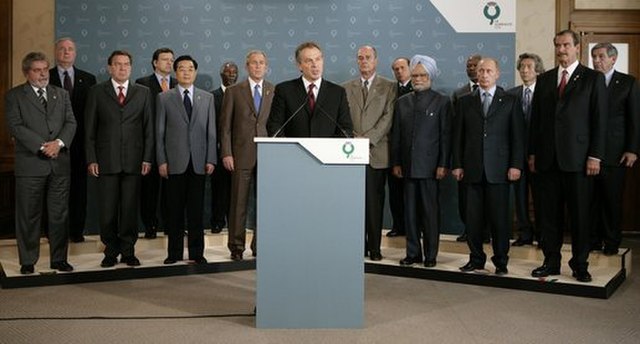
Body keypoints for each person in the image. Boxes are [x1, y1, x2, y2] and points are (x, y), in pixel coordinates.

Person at [529, 30, 607, 283]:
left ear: (577, 48)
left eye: (565, 45)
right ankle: (551, 262)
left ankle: (580, 264)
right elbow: (536, 122)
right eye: (557, 45)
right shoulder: (545, 79)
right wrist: (532, 153)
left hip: (579, 160)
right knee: (548, 216)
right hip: (548, 160)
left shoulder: (593, 78)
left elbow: (600, 121)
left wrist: (595, 155)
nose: (561, 50)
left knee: (580, 216)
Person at [5, 52, 77, 274]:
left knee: (59, 214)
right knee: (29, 214)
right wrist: (44, 146)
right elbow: (16, 126)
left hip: (60, 164)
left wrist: (59, 143)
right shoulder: (14, 96)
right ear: (27, 73)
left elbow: (70, 122)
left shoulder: (61, 94)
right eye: (37, 70)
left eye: (45, 68)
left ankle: (58, 259)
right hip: (31, 164)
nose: (43, 73)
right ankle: (28, 260)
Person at [452, 57, 524, 276]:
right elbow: (458, 137)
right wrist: (457, 165)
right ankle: (476, 259)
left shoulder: (510, 100)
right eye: (481, 71)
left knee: (499, 221)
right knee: (473, 221)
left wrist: (515, 165)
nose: (483, 74)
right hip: (471, 170)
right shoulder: (465, 101)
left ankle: (501, 261)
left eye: (488, 71)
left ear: (497, 73)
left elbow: (517, 137)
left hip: (500, 171)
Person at [85, 50, 154, 268]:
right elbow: (89, 130)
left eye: (126, 64)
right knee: (107, 210)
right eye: (118, 64)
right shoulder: (97, 92)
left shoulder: (143, 93)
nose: (122, 68)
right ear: (109, 68)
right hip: (105, 161)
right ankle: (110, 251)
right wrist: (91, 159)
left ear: (131, 68)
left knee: (129, 210)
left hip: (134, 161)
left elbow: (148, 129)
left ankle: (128, 251)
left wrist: (147, 158)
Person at [391, 55, 452, 267]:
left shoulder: (442, 101)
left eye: (422, 75)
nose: (418, 79)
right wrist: (396, 162)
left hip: (431, 169)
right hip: (407, 168)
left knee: (429, 214)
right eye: (415, 75)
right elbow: (396, 136)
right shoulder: (402, 102)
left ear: (430, 76)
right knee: (410, 214)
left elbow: (446, 136)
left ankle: (431, 256)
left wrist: (443, 164)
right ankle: (413, 253)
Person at [156, 55, 216, 265]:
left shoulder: (207, 98)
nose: (186, 72)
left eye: (190, 68)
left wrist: (211, 158)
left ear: (196, 73)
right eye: (181, 68)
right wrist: (162, 161)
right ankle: (173, 253)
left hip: (199, 162)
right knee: (174, 211)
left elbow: (212, 132)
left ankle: (197, 253)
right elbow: (159, 133)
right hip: (174, 163)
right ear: (175, 72)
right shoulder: (164, 98)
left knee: (196, 212)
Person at [343, 45, 395, 261]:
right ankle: (357, 247)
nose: (364, 61)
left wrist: (368, 139)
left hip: (377, 154)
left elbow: (388, 117)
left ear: (376, 60)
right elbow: (342, 117)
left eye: (368, 57)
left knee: (374, 205)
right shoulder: (345, 87)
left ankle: (374, 248)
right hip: (350, 154)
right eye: (360, 58)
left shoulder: (389, 87)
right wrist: (354, 138)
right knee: (352, 205)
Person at [220, 51, 273, 261]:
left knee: (266, 203)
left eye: (262, 63)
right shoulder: (234, 91)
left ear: (266, 66)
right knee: (239, 203)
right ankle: (236, 247)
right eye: (254, 63)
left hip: (268, 156)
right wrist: (227, 153)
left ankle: (260, 245)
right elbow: (225, 127)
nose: (258, 66)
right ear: (247, 66)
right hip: (241, 154)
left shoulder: (274, 91)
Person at [589, 42, 640, 255]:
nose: (597, 60)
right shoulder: (587, 81)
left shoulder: (628, 83)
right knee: (591, 202)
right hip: (589, 153)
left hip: (615, 153)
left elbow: (635, 119)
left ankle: (611, 243)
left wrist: (632, 149)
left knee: (611, 200)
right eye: (594, 57)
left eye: (601, 56)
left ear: (613, 59)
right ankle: (593, 241)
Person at [49, 37, 96, 243]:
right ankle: (53, 232)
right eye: (62, 49)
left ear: (75, 53)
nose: (66, 52)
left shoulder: (88, 79)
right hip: (53, 144)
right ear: (55, 52)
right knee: (53, 191)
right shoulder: (46, 76)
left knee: (79, 191)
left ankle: (76, 231)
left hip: (80, 146)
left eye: (70, 49)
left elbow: (92, 115)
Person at [267, 41, 353, 138]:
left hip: (326, 152)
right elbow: (274, 126)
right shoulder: (284, 90)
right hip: (293, 152)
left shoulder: (337, 92)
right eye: (309, 61)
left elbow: (346, 129)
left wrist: (329, 149)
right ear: (299, 65)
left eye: (318, 59)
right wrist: (288, 149)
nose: (315, 64)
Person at [135, 47, 176, 239]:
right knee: (150, 190)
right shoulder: (142, 84)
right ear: (154, 62)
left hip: (174, 146)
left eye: (171, 60)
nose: (169, 63)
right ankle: (150, 225)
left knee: (171, 191)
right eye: (165, 59)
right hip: (150, 144)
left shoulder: (178, 84)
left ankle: (171, 225)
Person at [507, 53, 545, 247]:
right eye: (521, 66)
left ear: (537, 69)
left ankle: (542, 233)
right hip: (518, 155)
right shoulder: (511, 94)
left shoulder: (546, 92)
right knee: (520, 197)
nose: (524, 70)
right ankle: (524, 233)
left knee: (540, 197)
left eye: (529, 66)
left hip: (540, 155)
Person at [451, 54, 485, 243]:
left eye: (475, 66)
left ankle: (485, 231)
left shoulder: (501, 94)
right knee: (466, 198)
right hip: (467, 155)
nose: (471, 68)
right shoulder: (459, 94)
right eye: (468, 65)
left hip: (489, 156)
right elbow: (456, 129)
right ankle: (468, 230)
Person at [387, 57, 413, 238]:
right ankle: (398, 225)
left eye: (402, 67)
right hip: (393, 147)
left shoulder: (419, 88)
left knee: (411, 193)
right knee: (395, 192)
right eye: (395, 69)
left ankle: (414, 227)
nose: (399, 71)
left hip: (413, 150)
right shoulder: (389, 90)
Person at [210, 61, 238, 234]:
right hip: (218, 150)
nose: (231, 75)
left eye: (234, 72)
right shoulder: (211, 97)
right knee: (219, 189)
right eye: (228, 72)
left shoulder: (242, 94)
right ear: (221, 75)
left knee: (236, 191)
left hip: (239, 149)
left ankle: (233, 222)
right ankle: (217, 221)